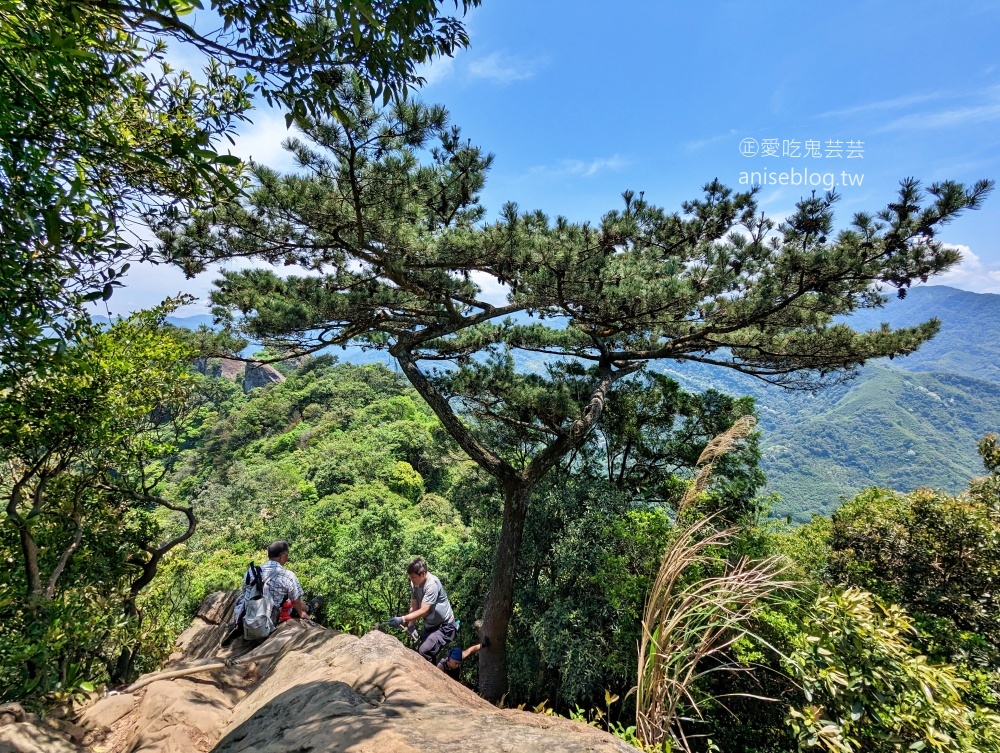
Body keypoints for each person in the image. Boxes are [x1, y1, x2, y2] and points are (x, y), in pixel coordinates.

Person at [222, 539, 309, 646]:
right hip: (269, 619)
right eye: (287, 554)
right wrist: (301, 613)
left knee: (241, 598)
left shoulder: (252, 571)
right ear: (283, 555)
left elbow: (245, 592)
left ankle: (239, 625)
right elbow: (295, 601)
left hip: (249, 615)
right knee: (303, 605)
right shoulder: (287, 575)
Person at [388, 557, 456, 662]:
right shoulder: (415, 583)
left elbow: (424, 610)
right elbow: (414, 606)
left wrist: (402, 619)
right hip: (430, 625)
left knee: (424, 651)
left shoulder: (432, 584)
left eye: (414, 577)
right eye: (410, 577)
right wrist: (411, 625)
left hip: (444, 626)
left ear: (423, 574)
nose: (411, 580)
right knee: (423, 651)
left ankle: (433, 677)